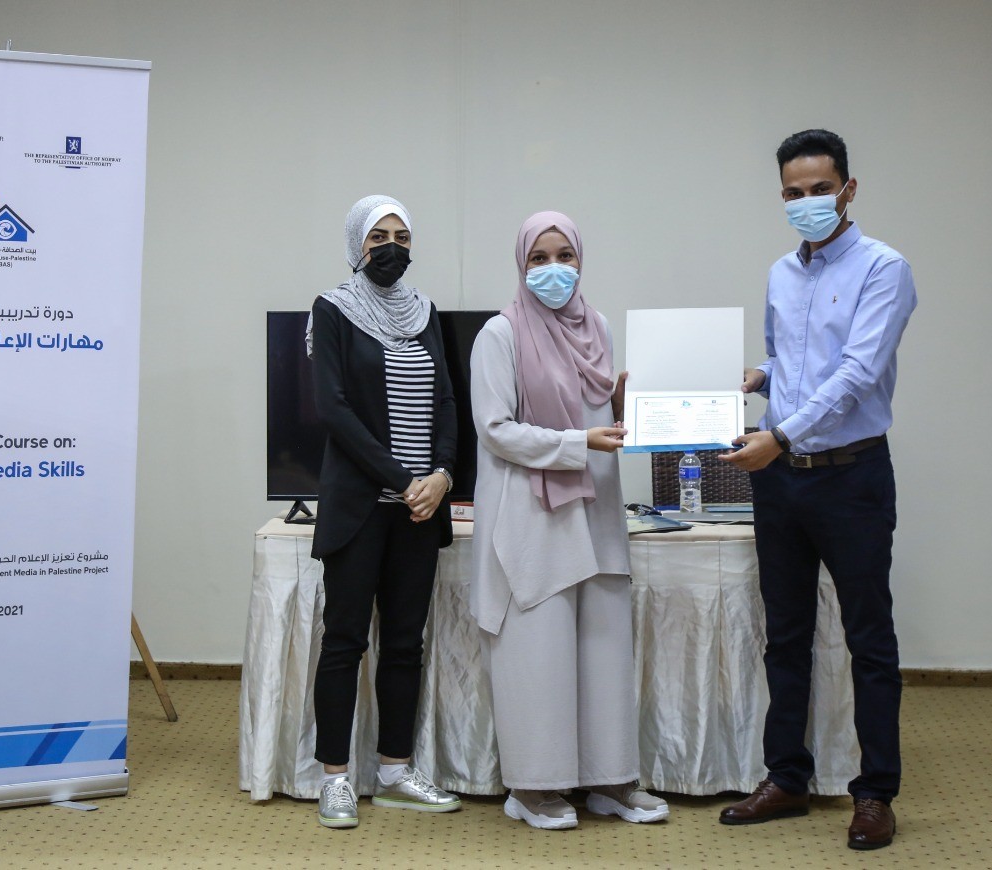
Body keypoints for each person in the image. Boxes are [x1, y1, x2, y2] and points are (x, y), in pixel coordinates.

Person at [719, 129, 917, 850]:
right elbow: (794, 359)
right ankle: (787, 778)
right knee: (786, 636)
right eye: (794, 193)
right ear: (782, 196)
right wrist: (759, 377)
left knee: (869, 639)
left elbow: (857, 373)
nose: (807, 202)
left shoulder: (884, 268)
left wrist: (778, 434)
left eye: (820, 189)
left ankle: (875, 792)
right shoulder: (781, 273)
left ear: (848, 190)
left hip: (851, 478)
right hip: (782, 483)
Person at [468, 211, 669, 831]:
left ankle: (611, 780)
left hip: (596, 508)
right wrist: (579, 442)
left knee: (604, 650)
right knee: (538, 653)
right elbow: (496, 430)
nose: (553, 269)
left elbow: (596, 415)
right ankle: (533, 787)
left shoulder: (597, 326)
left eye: (565, 256)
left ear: (581, 260)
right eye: (539, 258)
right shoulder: (499, 334)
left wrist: (624, 406)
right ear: (521, 264)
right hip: (533, 513)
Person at [306, 194, 462, 829]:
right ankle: (335, 779)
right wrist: (404, 480)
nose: (391, 247)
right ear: (357, 245)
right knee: (344, 643)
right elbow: (334, 409)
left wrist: (442, 476)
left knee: (404, 644)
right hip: (361, 508)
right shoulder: (333, 309)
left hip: (419, 512)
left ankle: (396, 772)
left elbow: (447, 401)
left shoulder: (425, 312)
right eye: (378, 237)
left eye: (401, 236)